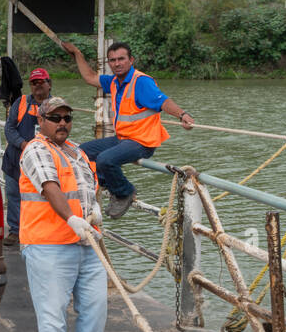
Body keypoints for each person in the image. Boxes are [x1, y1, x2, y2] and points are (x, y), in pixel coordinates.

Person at [17, 97, 108, 332]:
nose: (62, 123)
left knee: (95, 308)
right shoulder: (36, 149)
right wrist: (71, 218)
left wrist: (93, 217)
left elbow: (87, 192)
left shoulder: (77, 151)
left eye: (67, 117)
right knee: (53, 314)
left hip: (87, 242)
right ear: (40, 121)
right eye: (55, 117)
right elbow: (49, 186)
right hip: (49, 245)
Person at [61, 40, 195, 219]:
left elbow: (163, 101)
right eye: (113, 60)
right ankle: (111, 186)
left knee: (105, 160)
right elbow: (90, 77)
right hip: (123, 138)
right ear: (109, 63)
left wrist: (182, 114)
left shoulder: (141, 82)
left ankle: (125, 192)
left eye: (121, 59)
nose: (117, 63)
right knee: (81, 153)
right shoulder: (115, 82)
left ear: (131, 60)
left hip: (143, 141)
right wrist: (77, 53)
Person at [1, 68, 53, 245]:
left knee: (43, 197)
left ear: (49, 84)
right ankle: (15, 230)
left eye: (41, 82)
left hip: (42, 163)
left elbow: (62, 130)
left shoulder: (56, 105)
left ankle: (40, 231)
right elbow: (9, 128)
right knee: (13, 194)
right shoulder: (21, 102)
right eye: (33, 83)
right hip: (16, 161)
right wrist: (24, 145)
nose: (37, 86)